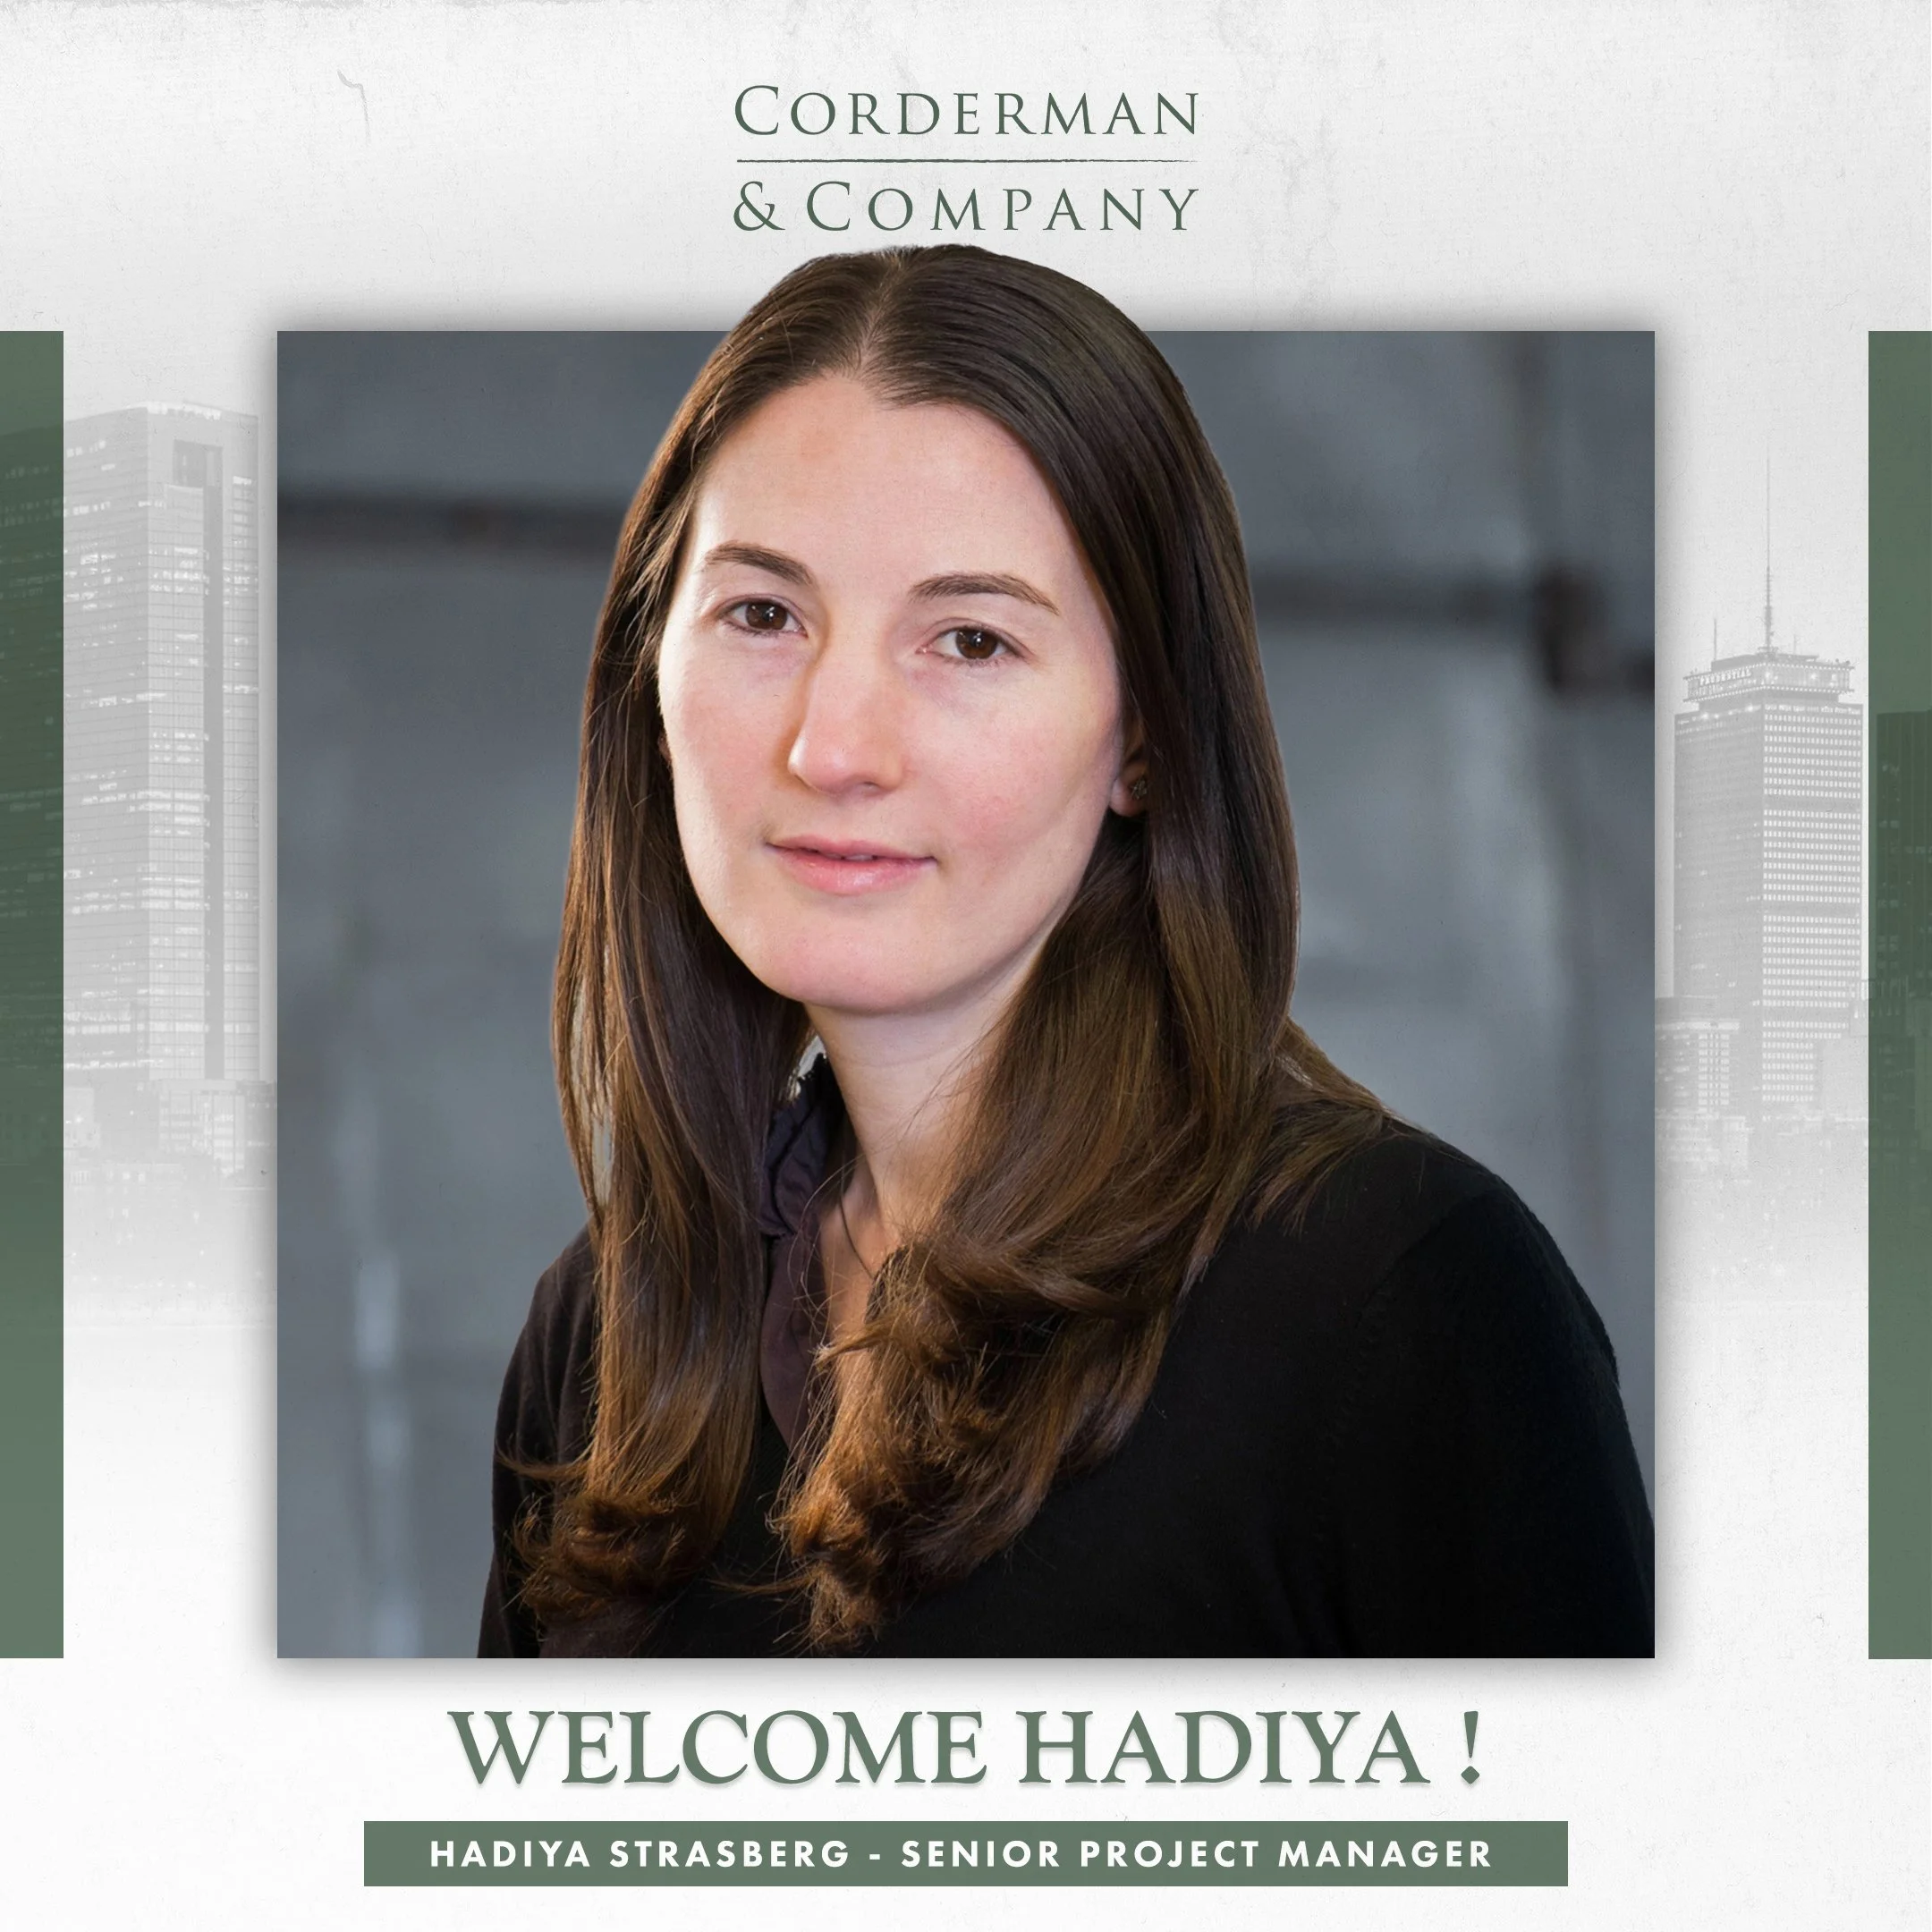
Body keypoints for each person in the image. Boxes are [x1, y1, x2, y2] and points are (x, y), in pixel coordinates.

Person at [479, 245, 1654, 1658]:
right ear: (648, 675)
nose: (834, 746)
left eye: (970, 641)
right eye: (764, 615)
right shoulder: (601, 1340)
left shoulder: (1400, 1298)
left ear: (1144, 735)